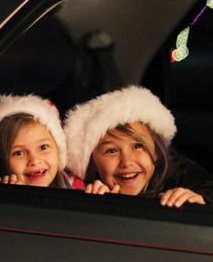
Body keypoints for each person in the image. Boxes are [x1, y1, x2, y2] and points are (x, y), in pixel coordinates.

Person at [64, 85, 213, 207]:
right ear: (93, 162)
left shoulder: (181, 174)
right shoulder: (83, 189)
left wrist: (201, 200)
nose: (127, 162)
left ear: (156, 151)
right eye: (111, 151)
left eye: (137, 146)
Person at [0, 94, 72, 188]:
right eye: (19, 153)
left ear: (58, 150)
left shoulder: (77, 189)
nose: (34, 160)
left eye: (43, 147)